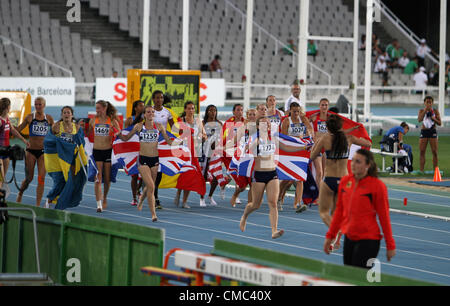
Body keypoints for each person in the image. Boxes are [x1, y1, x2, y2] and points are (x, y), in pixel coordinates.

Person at [324, 149, 396, 269]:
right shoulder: (345, 181)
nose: (353, 164)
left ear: (368, 165)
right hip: (349, 237)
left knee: (359, 276)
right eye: (353, 161)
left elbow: (384, 217)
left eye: (358, 162)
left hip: (369, 239)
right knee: (349, 278)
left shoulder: (377, 186)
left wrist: (390, 245)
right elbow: (339, 212)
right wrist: (330, 236)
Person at [239, 116, 309, 239]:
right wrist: (256, 142)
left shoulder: (273, 138)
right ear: (258, 126)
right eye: (263, 123)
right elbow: (247, 149)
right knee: (255, 204)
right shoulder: (254, 138)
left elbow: (286, 147)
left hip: (272, 173)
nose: (266, 125)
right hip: (259, 175)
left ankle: (274, 230)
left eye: (267, 123)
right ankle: (244, 216)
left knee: (273, 203)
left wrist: (303, 147)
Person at [311, 115, 372, 250]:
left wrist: (316, 144)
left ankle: (336, 231)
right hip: (344, 180)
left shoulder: (325, 139)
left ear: (327, 127)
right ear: (341, 127)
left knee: (324, 213)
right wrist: (358, 134)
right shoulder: (348, 138)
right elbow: (368, 144)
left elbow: (312, 156)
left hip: (329, 180)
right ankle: (335, 240)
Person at [118, 105, 175, 222]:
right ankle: (153, 214)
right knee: (151, 186)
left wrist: (178, 142)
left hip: (155, 160)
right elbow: (125, 139)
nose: (150, 114)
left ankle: (141, 200)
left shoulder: (159, 127)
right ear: (144, 115)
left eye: (152, 112)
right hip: (143, 159)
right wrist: (117, 131)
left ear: (154, 114)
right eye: (148, 112)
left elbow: (168, 141)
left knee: (150, 186)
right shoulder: (139, 126)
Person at [16, 97, 54, 206]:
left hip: (43, 152)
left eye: (40, 104)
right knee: (29, 178)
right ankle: (20, 193)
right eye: (36, 104)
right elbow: (17, 130)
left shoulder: (49, 119)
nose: (37, 107)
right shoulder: (29, 117)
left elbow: (55, 133)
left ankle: (38, 205)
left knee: (41, 178)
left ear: (44, 105)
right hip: (31, 151)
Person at [86, 100, 121, 213]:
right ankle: (99, 204)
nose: (97, 111)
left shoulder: (112, 121)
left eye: (99, 108)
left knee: (106, 179)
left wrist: (114, 132)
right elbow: (87, 134)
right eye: (96, 108)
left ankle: (105, 197)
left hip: (108, 151)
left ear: (104, 108)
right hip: (97, 151)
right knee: (98, 177)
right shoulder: (93, 120)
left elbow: (119, 134)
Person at [279, 102, 313, 213]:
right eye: (294, 111)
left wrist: (307, 132)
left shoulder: (303, 120)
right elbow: (283, 138)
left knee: (300, 178)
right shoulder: (286, 121)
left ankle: (298, 203)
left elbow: (310, 132)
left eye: (298, 111)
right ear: (290, 111)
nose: (296, 114)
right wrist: (294, 138)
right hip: (289, 151)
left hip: (301, 152)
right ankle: (279, 197)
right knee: (287, 180)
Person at [45, 106, 81, 208]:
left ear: (72, 115)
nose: (66, 114)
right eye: (64, 113)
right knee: (60, 180)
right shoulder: (56, 126)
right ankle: (49, 199)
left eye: (68, 112)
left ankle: (61, 200)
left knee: (69, 181)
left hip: (70, 160)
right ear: (61, 115)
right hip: (58, 159)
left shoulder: (77, 128)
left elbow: (80, 142)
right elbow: (49, 141)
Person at [174, 101, 207, 208]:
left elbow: (204, 134)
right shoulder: (181, 121)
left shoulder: (198, 121)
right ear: (185, 109)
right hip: (183, 151)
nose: (191, 110)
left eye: (192, 108)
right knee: (183, 174)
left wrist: (203, 137)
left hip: (195, 151)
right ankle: (178, 193)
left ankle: (184, 201)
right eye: (188, 108)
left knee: (191, 175)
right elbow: (176, 134)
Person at [151, 90, 174, 210]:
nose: (159, 100)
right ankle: (149, 193)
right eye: (157, 98)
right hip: (150, 143)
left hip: (162, 143)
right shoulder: (150, 111)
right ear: (153, 99)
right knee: (152, 171)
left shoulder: (167, 112)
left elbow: (173, 127)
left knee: (158, 171)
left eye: (161, 98)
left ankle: (155, 195)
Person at [0, 98, 30, 191]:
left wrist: (24, 140)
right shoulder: (0, 120)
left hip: (6, 150)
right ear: (7, 107)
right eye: (10, 106)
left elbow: (13, 130)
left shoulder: (7, 118)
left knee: (3, 177)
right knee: (0, 177)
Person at [222, 104, 248, 207]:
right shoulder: (228, 123)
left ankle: (234, 193)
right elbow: (225, 138)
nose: (240, 112)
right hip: (230, 151)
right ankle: (225, 185)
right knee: (234, 174)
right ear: (233, 111)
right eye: (238, 110)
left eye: (241, 110)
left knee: (238, 173)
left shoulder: (245, 122)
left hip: (241, 151)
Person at [201, 104, 224, 206]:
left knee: (216, 174)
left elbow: (222, 138)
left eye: (214, 110)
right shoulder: (203, 123)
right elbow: (200, 138)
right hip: (204, 151)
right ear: (207, 112)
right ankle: (201, 197)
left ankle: (210, 196)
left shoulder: (219, 123)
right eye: (210, 110)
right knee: (204, 175)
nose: (212, 112)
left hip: (216, 152)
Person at [124, 100, 145, 206]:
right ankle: (134, 197)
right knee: (134, 175)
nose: (142, 107)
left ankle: (138, 190)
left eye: (143, 106)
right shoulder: (129, 119)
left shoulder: (146, 120)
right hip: (132, 149)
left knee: (144, 175)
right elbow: (125, 133)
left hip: (143, 148)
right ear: (135, 108)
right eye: (140, 106)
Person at [308, 98, 331, 191]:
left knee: (325, 173)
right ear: (319, 106)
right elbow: (304, 121)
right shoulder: (314, 117)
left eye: (326, 105)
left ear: (328, 106)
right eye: (322, 105)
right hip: (317, 147)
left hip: (326, 148)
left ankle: (320, 192)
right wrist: (311, 135)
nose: (324, 107)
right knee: (319, 172)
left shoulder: (330, 118)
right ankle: (320, 195)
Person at [418, 96, 441, 173]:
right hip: (424, 132)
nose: (428, 104)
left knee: (434, 151)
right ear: (424, 103)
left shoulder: (435, 111)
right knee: (422, 151)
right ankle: (421, 171)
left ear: (432, 103)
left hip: (432, 131)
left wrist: (433, 117)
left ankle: (435, 171)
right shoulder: (421, 110)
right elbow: (419, 119)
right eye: (427, 102)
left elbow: (440, 123)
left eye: (430, 102)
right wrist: (425, 111)